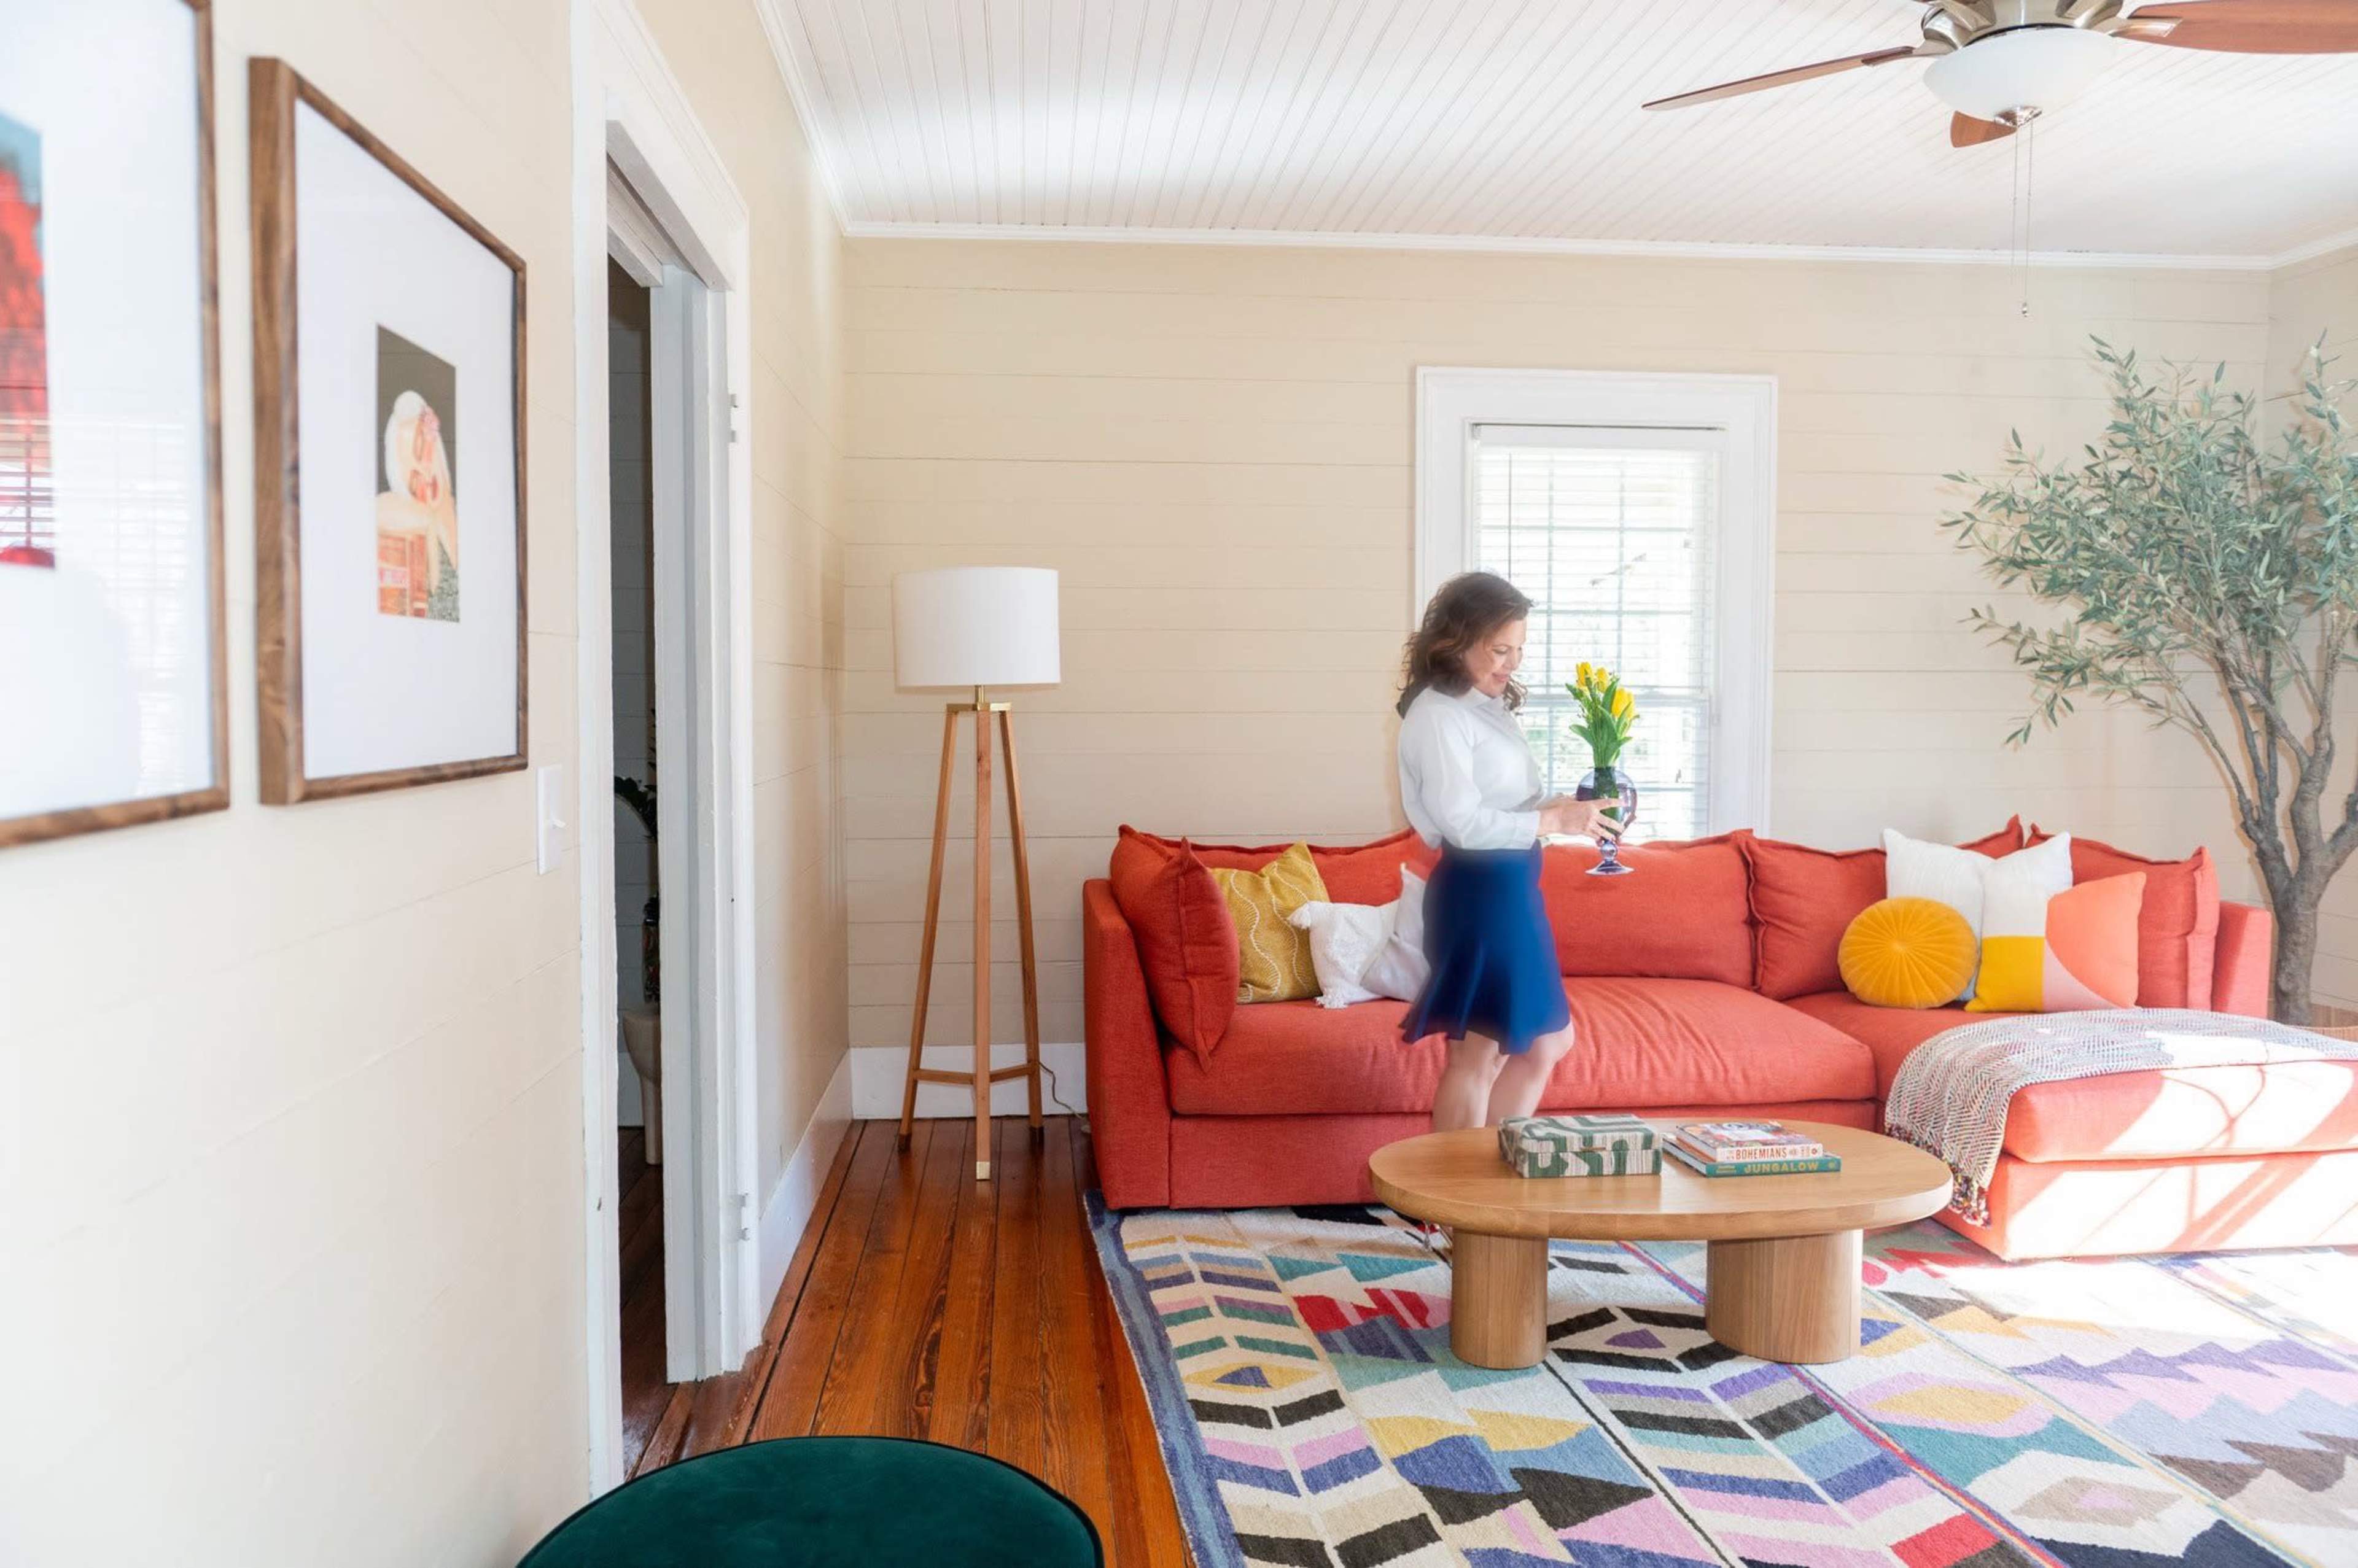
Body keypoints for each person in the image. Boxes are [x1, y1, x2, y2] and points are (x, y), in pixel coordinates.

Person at [1395, 572, 1619, 1133]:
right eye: (1500, 649)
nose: (1512, 663)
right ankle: (1456, 1207)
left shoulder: (1482, 706)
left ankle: (1492, 1183)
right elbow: (1462, 823)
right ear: (1456, 640)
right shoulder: (1437, 716)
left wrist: (1562, 807)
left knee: (1545, 1043)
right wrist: (1549, 819)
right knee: (1477, 1054)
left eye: (1518, 649)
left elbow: (1502, 803)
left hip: (1512, 890)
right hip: (1478, 894)